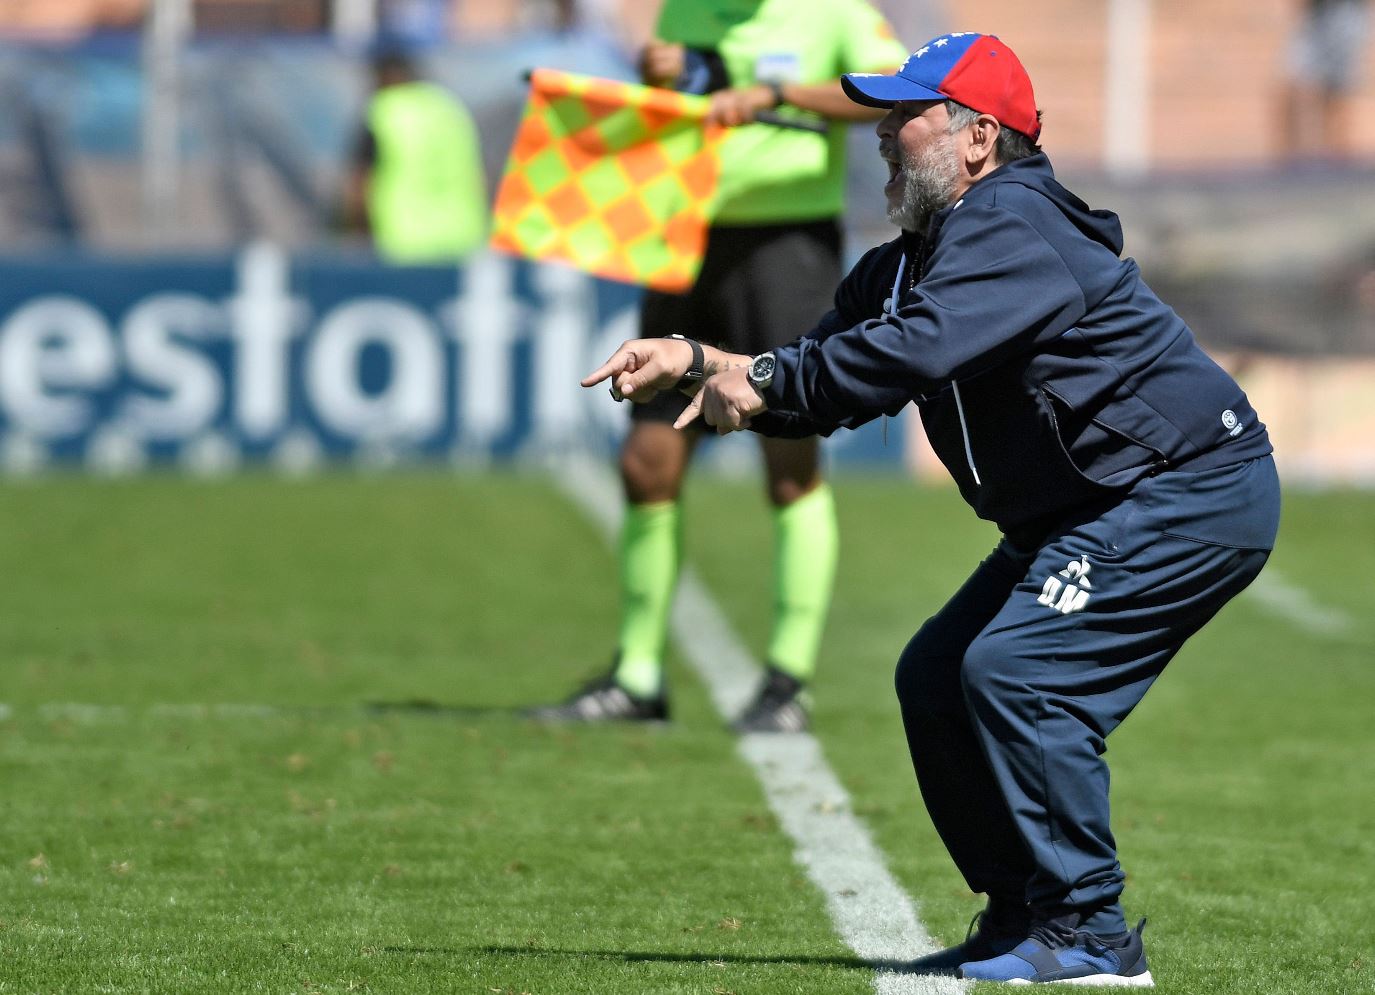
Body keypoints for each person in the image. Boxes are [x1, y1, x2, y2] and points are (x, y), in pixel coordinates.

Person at [583, 32, 1280, 986]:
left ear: (977, 138)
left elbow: (899, 355)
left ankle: (1090, 935)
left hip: (1183, 489)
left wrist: (757, 373)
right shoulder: (909, 260)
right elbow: (825, 375)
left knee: (1019, 672)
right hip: (1090, 504)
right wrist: (705, 362)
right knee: (936, 676)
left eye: (904, 115)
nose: (880, 134)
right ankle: (1021, 917)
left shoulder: (1012, 224)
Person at [534, 0, 908, 731]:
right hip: (684, 237)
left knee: (789, 461)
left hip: (785, 245)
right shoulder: (684, 11)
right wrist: (660, 81)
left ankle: (787, 682)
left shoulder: (831, 11)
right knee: (646, 459)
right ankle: (638, 676)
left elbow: (890, 84)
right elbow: (676, 120)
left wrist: (778, 94)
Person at [344, 49, 487, 262]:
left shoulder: (383, 111)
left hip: (404, 243)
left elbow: (360, 185)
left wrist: (355, 236)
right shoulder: (449, 108)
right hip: (463, 239)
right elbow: (479, 177)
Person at [1280, 0, 1371, 158]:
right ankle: (1300, 160)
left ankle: (1336, 162)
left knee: (1335, 99)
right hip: (1317, 18)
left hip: (1342, 16)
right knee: (1294, 90)